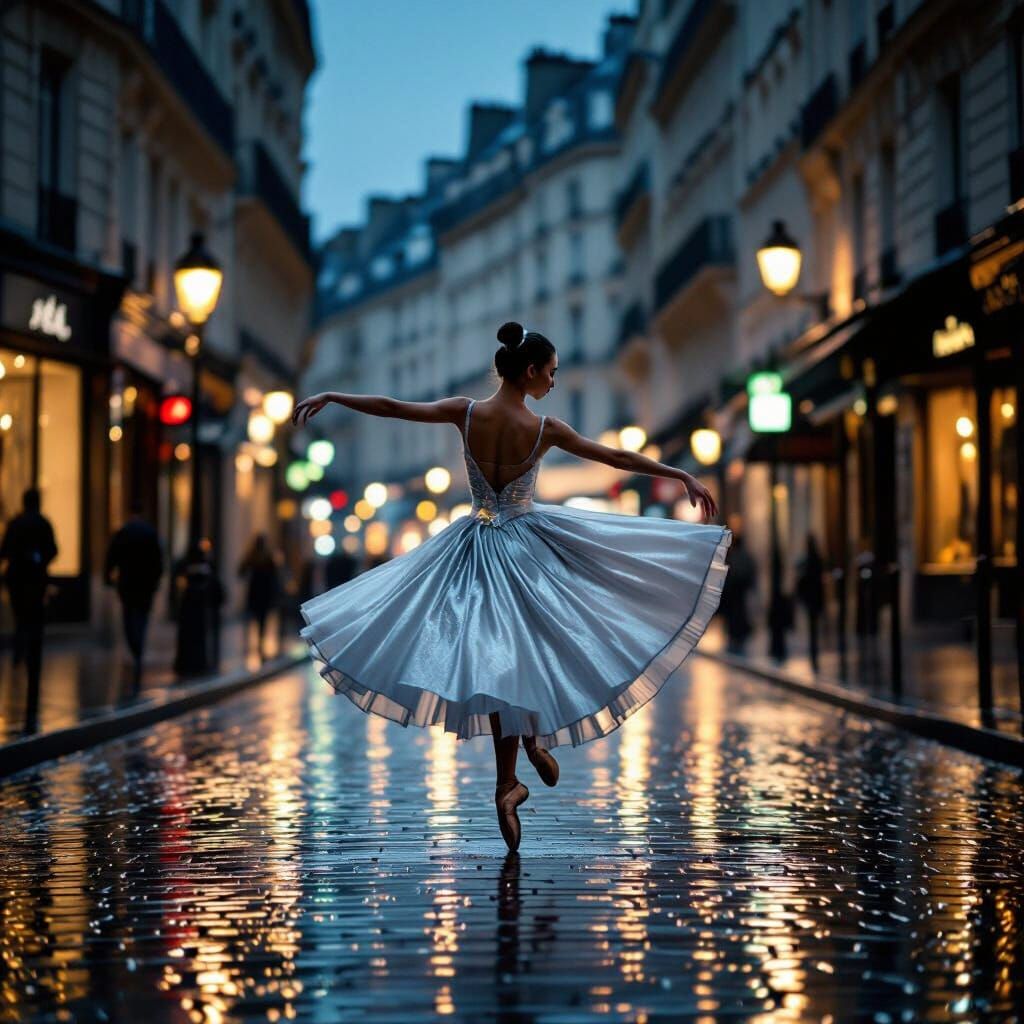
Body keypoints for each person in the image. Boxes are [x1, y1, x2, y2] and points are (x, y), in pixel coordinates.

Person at [292, 321, 730, 852]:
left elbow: (394, 406)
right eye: (550, 372)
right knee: (538, 649)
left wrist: (334, 395)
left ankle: (510, 777)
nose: (553, 381)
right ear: (529, 371)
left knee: (500, 662)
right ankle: (531, 743)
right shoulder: (545, 428)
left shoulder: (466, 411)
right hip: (527, 548)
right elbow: (615, 457)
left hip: (473, 546)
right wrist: (679, 474)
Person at [0, 488, 58, 731]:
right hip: (35, 582)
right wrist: (39, 560)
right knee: (34, 625)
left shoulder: (16, 523)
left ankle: (20, 646)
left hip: (17, 582)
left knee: (21, 619)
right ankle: (29, 654)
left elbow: (4, 551)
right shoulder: (43, 523)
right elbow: (53, 551)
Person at [104, 503, 164, 689]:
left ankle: (135, 646)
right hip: (145, 584)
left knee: (129, 616)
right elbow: (159, 561)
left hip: (128, 583)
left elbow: (111, 556)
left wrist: (108, 576)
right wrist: (156, 581)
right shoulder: (150, 533)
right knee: (141, 617)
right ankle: (138, 649)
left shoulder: (124, 532)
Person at [237, 534, 281, 661]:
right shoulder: (267, 557)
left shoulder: (253, 556)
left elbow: (241, 571)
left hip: (255, 593)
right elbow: (275, 577)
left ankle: (251, 647)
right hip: (263, 594)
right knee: (261, 621)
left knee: (254, 620)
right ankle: (258, 647)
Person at [720, 531, 757, 654]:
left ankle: (735, 638)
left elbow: (728, 574)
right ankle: (738, 638)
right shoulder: (746, 556)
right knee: (739, 615)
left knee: (734, 617)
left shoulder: (733, 556)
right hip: (739, 591)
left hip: (734, 592)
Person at [795, 532, 826, 673]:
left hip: (811, 598)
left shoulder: (807, 561)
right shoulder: (817, 559)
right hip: (816, 597)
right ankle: (814, 655)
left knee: (813, 627)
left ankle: (814, 655)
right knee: (814, 626)